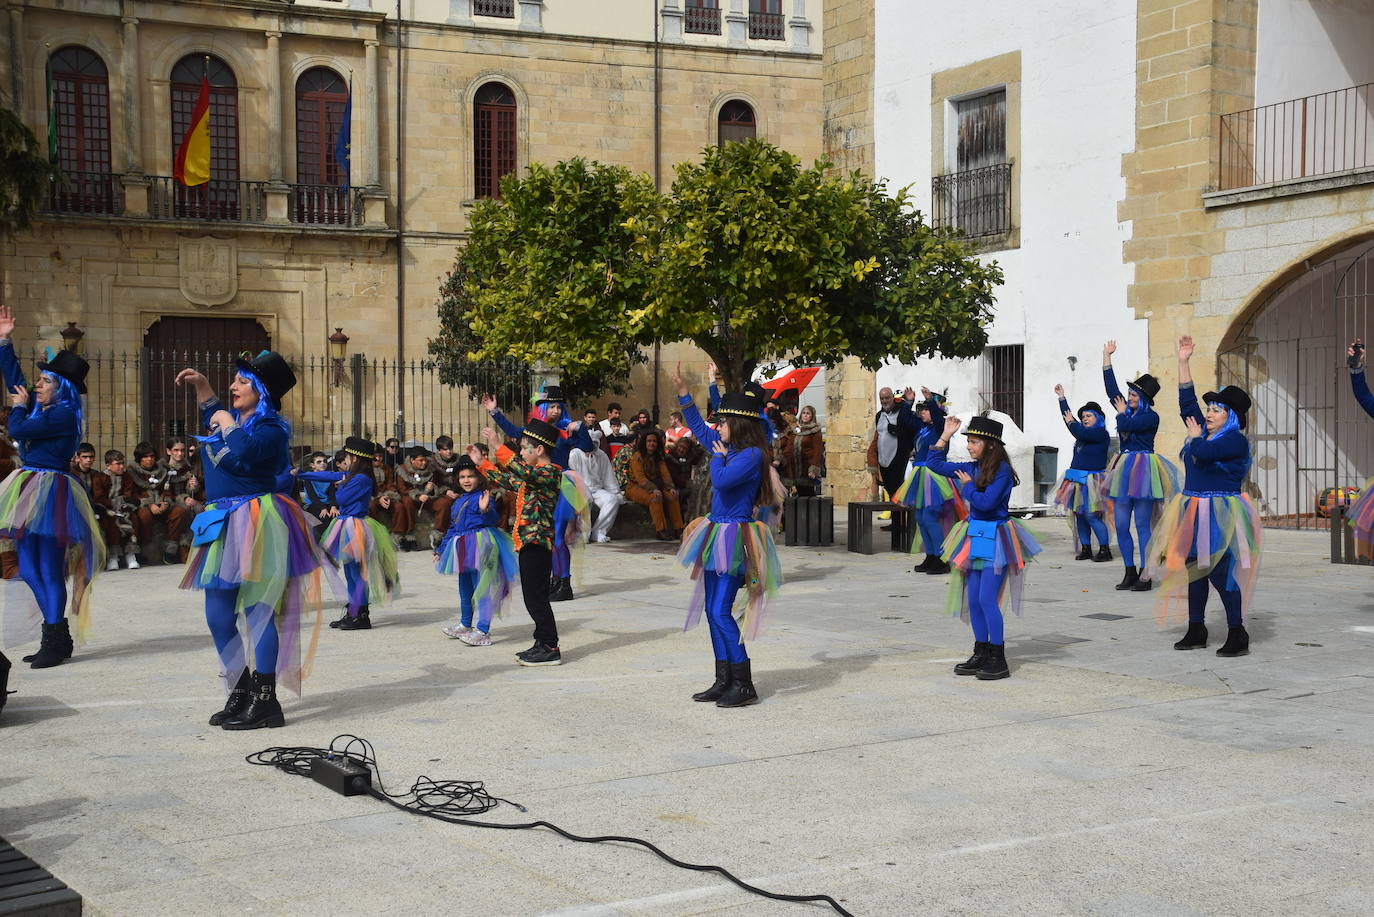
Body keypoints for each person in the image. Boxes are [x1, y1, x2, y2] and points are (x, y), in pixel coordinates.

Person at [176, 351, 332, 729]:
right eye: (234, 380)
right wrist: (204, 388)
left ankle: (266, 702)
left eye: (242, 381)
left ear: (261, 391)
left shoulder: (272, 428)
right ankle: (241, 690)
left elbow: (244, 451)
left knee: (258, 614)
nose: (234, 386)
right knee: (217, 615)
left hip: (256, 520)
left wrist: (227, 420)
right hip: (221, 520)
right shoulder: (228, 421)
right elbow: (213, 416)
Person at [671, 364, 784, 708]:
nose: (716, 427)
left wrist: (718, 460)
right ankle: (724, 679)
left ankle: (744, 681)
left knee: (721, 610)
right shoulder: (728, 447)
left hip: (735, 536)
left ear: (737, 424)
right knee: (711, 609)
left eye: (721, 422)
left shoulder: (751, 455)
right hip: (714, 532)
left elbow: (721, 481)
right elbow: (697, 430)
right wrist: (683, 394)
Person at [0, 304, 104, 670]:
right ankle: (56, 635)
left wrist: (18, 408)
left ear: (62, 389)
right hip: (30, 485)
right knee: (28, 568)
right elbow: (17, 385)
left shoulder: (61, 414)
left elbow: (17, 429)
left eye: (45, 381)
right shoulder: (42, 407)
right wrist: (4, 343)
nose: (37, 384)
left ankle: (55, 638)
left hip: (50, 490)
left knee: (46, 568)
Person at [1143, 335, 1260, 657]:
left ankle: (1237, 631)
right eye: (1209, 408)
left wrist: (1195, 440)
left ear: (1231, 417)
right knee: (1193, 570)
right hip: (1192, 507)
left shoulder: (1235, 440)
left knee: (1221, 573)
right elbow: (1187, 404)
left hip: (1220, 511)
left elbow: (1206, 453)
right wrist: (1183, 362)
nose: (1208, 413)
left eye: (1217, 410)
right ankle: (1197, 627)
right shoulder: (1201, 430)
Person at [924, 414, 1042, 679]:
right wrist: (945, 434)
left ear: (990, 444)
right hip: (974, 535)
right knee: (975, 599)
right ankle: (981, 651)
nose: (969, 446)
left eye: (974, 442)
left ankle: (998, 658)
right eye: (969, 441)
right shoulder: (972, 466)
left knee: (988, 598)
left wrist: (966, 488)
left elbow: (986, 503)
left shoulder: (1001, 471)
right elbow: (934, 463)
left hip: (997, 538)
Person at [483, 387, 591, 603]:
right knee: (550, 537)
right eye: (551, 406)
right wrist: (494, 412)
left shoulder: (566, 431)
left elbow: (588, 447)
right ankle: (555, 578)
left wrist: (581, 428)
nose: (556, 411)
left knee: (558, 536)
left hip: (561, 485)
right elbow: (514, 431)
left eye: (559, 407)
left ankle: (564, 582)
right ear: (542, 408)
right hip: (539, 484)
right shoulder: (535, 431)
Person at [479, 418, 568, 666]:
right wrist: (482, 464)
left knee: (536, 596)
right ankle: (542, 642)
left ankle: (550, 646)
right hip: (529, 542)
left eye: (524, 448)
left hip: (538, 542)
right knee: (532, 595)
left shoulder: (549, 473)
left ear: (539, 450)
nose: (520, 453)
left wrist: (498, 446)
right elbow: (511, 480)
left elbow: (522, 471)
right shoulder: (533, 478)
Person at [300, 437, 400, 632]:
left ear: (355, 458)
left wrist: (340, 484)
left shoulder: (361, 478)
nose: (345, 460)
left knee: (357, 572)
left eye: (347, 456)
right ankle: (352, 611)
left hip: (355, 525)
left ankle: (361, 615)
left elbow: (340, 498)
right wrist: (302, 474)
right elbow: (328, 476)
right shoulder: (352, 475)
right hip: (345, 524)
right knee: (349, 572)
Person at [1102, 341, 1179, 591]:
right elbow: (1111, 389)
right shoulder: (1127, 409)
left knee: (1143, 525)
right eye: (1130, 394)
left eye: (1134, 394)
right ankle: (1129, 571)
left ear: (1144, 398)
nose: (1129, 397)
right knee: (1122, 524)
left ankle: (1146, 574)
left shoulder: (1150, 416)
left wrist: (1123, 413)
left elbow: (1127, 427)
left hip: (1144, 467)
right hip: (1124, 467)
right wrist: (1106, 358)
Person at [435, 453, 518, 645]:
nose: (466, 480)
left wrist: (484, 510)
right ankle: (465, 624)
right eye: (462, 477)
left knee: (482, 588)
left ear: (479, 478)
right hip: (463, 547)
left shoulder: (483, 497)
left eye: (470, 476)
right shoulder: (458, 501)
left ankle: (483, 630)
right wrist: (441, 549)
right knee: (465, 588)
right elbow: (453, 528)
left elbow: (492, 520)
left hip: (481, 545)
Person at [894, 388, 964, 574]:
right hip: (920, 475)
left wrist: (931, 401)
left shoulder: (940, 428)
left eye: (925, 410)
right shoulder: (922, 427)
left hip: (934, 476)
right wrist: (907, 402)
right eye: (921, 409)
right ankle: (930, 555)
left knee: (931, 518)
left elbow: (937, 417)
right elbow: (904, 419)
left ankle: (941, 558)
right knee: (920, 518)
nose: (921, 412)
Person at [1053, 386, 1113, 562]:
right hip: (1076, 479)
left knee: (1090, 514)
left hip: (1092, 480)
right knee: (1079, 514)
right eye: (1083, 417)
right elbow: (1070, 422)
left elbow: (1074, 427)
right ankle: (1086, 547)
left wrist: (1072, 422)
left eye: (1089, 416)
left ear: (1098, 418)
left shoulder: (1100, 433)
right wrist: (1062, 399)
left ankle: (1104, 549)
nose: (1085, 419)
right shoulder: (1083, 434)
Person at [130, 441, 191, 565]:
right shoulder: (132, 472)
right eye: (146, 457)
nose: (150, 459)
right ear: (139, 459)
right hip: (142, 505)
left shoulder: (162, 470)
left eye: (152, 456)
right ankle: (144, 550)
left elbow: (168, 490)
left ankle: (170, 551)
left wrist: (165, 502)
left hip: (162, 504)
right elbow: (132, 494)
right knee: (144, 515)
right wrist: (149, 504)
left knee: (180, 511)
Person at [627, 430, 683, 540]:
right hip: (635, 487)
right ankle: (660, 530)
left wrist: (670, 487)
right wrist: (653, 489)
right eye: (649, 441)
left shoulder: (658, 457)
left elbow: (665, 474)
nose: (652, 443)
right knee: (655, 498)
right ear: (644, 443)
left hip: (656, 486)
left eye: (654, 441)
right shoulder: (637, 457)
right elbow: (640, 478)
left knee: (672, 495)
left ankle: (679, 529)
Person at [91, 449, 140, 571]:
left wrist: (124, 504)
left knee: (132, 519)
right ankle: (113, 555)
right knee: (111, 522)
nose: (121, 466)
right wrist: (113, 504)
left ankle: (130, 553)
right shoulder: (99, 477)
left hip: (125, 507)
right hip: (107, 509)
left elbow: (129, 493)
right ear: (108, 465)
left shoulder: (127, 476)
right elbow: (99, 497)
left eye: (122, 463)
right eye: (118, 464)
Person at [569, 438, 623, 544]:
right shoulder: (575, 454)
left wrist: (615, 492)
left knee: (612, 499)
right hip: (580, 488)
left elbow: (608, 476)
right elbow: (572, 475)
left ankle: (599, 531)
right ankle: (582, 534)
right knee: (584, 499)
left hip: (597, 489)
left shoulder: (601, 455)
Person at [871, 387, 919, 503]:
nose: (885, 401)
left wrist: (909, 401)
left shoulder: (900, 412)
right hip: (883, 461)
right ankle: (896, 520)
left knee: (899, 492)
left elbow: (908, 428)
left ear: (892, 397)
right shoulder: (879, 416)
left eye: (887, 398)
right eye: (882, 399)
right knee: (890, 491)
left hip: (898, 460)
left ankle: (901, 521)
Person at [777, 404, 825, 498]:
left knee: (808, 494)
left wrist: (814, 468)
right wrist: (781, 458)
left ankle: (812, 512)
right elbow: (788, 446)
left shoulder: (815, 431)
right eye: (803, 413)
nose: (805, 415)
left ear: (812, 416)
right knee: (799, 493)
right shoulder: (795, 430)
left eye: (808, 413)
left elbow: (817, 451)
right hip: (794, 467)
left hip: (807, 466)